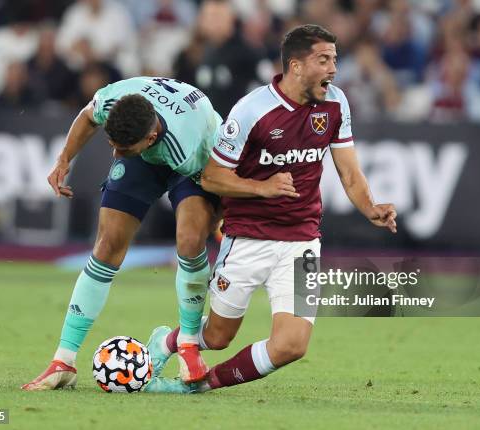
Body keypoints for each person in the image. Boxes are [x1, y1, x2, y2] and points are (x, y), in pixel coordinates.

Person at [149, 24, 397, 393]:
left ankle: (201, 386)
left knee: (291, 345)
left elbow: (349, 171)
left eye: (334, 60)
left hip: (302, 242)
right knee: (217, 338)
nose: (333, 69)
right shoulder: (252, 110)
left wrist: (369, 207)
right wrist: (261, 188)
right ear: (295, 66)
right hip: (248, 238)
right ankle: (167, 342)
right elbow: (212, 178)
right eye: (324, 60)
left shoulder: (335, 103)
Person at [21, 76, 223, 391]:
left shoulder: (187, 145)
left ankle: (187, 343)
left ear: (150, 137)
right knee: (107, 244)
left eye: (123, 149)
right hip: (151, 150)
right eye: (112, 145)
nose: (116, 154)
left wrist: (220, 219)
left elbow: (215, 181)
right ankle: (64, 360)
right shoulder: (114, 101)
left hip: (201, 158)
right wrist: (63, 160)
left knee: (191, 239)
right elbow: (88, 116)